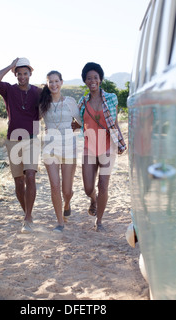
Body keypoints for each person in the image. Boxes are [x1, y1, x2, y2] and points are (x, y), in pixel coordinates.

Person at [0, 58, 41, 234]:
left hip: (32, 139)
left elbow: (49, 107)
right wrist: (9, 66)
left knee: (31, 176)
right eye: (18, 73)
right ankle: (26, 212)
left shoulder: (38, 92)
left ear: (30, 74)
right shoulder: (8, 90)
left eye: (25, 73)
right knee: (19, 181)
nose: (22, 76)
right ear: (15, 74)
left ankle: (28, 217)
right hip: (13, 139)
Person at [77, 62, 127, 232]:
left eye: (95, 78)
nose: (92, 81)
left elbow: (115, 122)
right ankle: (93, 200)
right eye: (89, 78)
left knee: (103, 184)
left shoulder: (112, 97)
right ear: (85, 81)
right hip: (89, 147)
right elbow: (78, 123)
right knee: (88, 188)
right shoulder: (82, 102)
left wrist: (120, 142)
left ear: (100, 80)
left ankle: (99, 221)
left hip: (107, 147)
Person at [39, 71, 82, 233]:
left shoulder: (70, 102)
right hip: (50, 149)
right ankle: (59, 222)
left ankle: (67, 203)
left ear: (62, 82)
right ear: (47, 84)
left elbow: (81, 121)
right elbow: (33, 118)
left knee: (67, 190)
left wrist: (75, 127)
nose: (54, 84)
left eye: (56, 81)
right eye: (50, 82)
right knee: (55, 186)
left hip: (69, 149)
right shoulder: (43, 103)